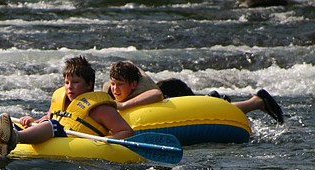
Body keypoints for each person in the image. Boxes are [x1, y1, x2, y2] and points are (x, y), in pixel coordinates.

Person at [0, 56, 135, 158]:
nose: (70, 87)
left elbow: (126, 131)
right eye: (67, 82)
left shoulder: (100, 108)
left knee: (52, 127)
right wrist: (32, 121)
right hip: (53, 132)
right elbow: (51, 118)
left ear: (89, 84)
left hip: (72, 140)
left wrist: (107, 143)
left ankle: (13, 138)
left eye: (76, 83)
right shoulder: (62, 98)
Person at [104, 60, 283, 124]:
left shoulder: (144, 89)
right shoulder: (110, 90)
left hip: (173, 98)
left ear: (133, 84)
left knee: (215, 111)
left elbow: (156, 95)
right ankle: (214, 99)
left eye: (120, 85)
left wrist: (123, 105)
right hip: (171, 91)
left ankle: (258, 101)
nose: (115, 89)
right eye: (113, 84)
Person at [157, 77, 284, 124]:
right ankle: (211, 101)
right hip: (173, 92)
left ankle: (257, 102)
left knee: (196, 113)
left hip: (174, 95)